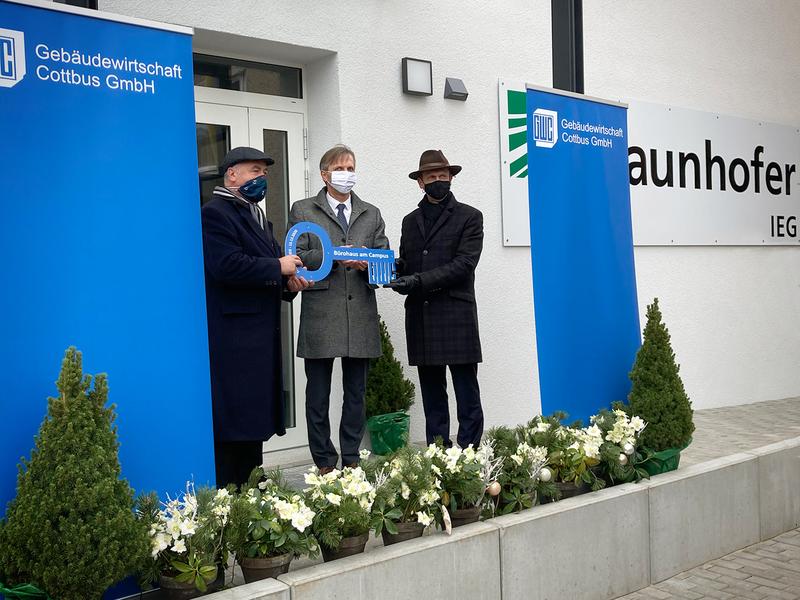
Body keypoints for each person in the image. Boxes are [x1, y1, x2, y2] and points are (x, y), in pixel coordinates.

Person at [201, 146, 309, 488]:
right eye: (254, 171)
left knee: (252, 424)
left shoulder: (258, 217)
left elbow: (267, 273)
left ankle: (251, 492)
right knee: (233, 424)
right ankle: (229, 498)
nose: (262, 178)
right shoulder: (215, 213)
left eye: (264, 172)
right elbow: (226, 266)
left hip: (258, 339)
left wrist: (288, 284)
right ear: (231, 174)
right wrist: (278, 266)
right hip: (234, 340)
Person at [289, 144, 389, 473]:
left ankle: (351, 456)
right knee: (317, 394)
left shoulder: (371, 213)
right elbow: (297, 256)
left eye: (351, 167)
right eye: (340, 168)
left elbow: (385, 263)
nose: (347, 173)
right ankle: (325, 461)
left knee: (356, 393)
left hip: (359, 312)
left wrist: (367, 264)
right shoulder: (303, 210)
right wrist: (334, 255)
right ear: (324, 174)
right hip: (321, 313)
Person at [386, 149, 484, 448]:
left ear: (451, 178)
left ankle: (470, 451)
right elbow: (407, 261)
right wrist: (385, 267)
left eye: (443, 176)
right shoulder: (409, 220)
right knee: (432, 393)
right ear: (420, 182)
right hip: (421, 315)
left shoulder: (470, 216)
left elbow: (464, 265)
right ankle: (439, 451)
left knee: (466, 391)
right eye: (431, 177)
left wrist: (417, 281)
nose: (438, 181)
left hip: (455, 313)